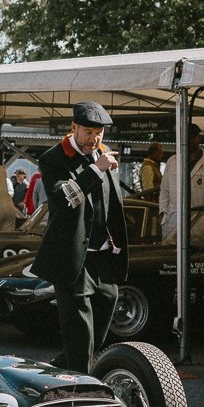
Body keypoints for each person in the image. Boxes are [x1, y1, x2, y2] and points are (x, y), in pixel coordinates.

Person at [31, 101, 128, 373]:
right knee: (80, 333)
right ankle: (80, 384)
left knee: (101, 323)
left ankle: (64, 365)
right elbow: (65, 200)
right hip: (72, 256)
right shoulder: (53, 158)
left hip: (104, 254)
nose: (94, 139)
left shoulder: (104, 153)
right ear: (73, 127)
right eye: (88, 132)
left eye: (99, 133)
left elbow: (112, 203)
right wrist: (96, 170)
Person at [158, 123, 204, 238]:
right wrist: (163, 212)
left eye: (191, 137)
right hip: (173, 221)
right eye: (184, 137)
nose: (187, 141)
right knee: (171, 248)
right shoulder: (172, 161)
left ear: (199, 137)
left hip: (201, 225)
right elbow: (164, 191)